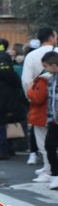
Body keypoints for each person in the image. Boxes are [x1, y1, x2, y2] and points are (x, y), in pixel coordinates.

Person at [21, 27, 58, 177]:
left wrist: (30, 96)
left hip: (39, 102)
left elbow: (25, 81)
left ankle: (49, 168)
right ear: (50, 37)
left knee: (44, 140)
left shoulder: (31, 56)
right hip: (52, 104)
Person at [40, 51, 58, 190]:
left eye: (46, 66)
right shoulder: (51, 79)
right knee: (49, 146)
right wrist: (49, 117)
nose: (45, 69)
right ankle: (55, 176)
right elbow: (50, 100)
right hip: (53, 120)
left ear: (54, 66)